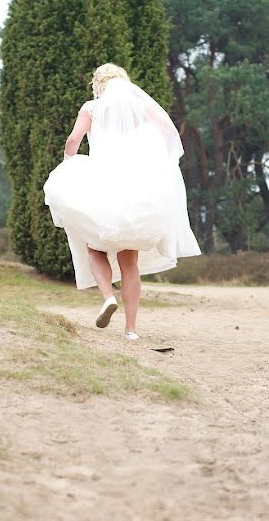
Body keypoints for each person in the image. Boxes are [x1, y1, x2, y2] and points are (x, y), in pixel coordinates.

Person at [44, 63, 201, 340]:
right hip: (135, 191)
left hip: (103, 188)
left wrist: (68, 165)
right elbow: (167, 129)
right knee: (129, 263)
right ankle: (131, 330)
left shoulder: (91, 108)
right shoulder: (140, 108)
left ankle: (107, 297)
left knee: (95, 248)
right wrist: (159, 162)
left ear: (98, 85)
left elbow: (73, 139)